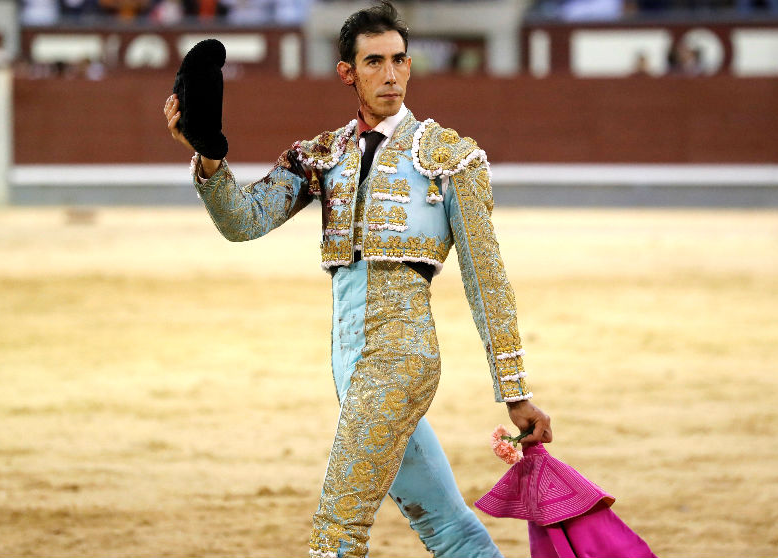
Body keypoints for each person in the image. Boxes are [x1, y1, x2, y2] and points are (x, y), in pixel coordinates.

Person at [163, 2, 551, 557]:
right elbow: (243, 222)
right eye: (374, 62)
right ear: (349, 72)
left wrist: (514, 393)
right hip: (349, 361)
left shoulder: (450, 158)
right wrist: (206, 157)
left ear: (410, 66)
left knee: (337, 528)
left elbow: (486, 278)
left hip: (401, 357)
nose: (390, 74)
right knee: (444, 524)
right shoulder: (324, 155)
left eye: (398, 60)